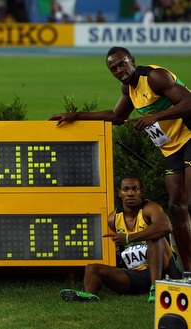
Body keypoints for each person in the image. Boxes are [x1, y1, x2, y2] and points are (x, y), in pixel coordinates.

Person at [50, 46, 191, 272]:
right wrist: (76, 116)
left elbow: (189, 103)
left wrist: (155, 116)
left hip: (190, 136)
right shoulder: (128, 87)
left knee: (189, 200)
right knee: (176, 206)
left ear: (132, 60)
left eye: (122, 64)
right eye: (113, 68)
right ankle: (188, 271)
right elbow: (116, 116)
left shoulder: (154, 77)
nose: (118, 70)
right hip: (172, 148)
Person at [60, 175, 182, 303]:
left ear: (141, 192)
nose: (130, 193)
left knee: (155, 238)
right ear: (119, 193)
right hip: (136, 275)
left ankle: (155, 289)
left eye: (135, 189)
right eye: (126, 190)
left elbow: (165, 226)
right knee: (92, 268)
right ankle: (89, 295)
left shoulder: (150, 208)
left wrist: (129, 238)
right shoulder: (113, 219)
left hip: (164, 272)